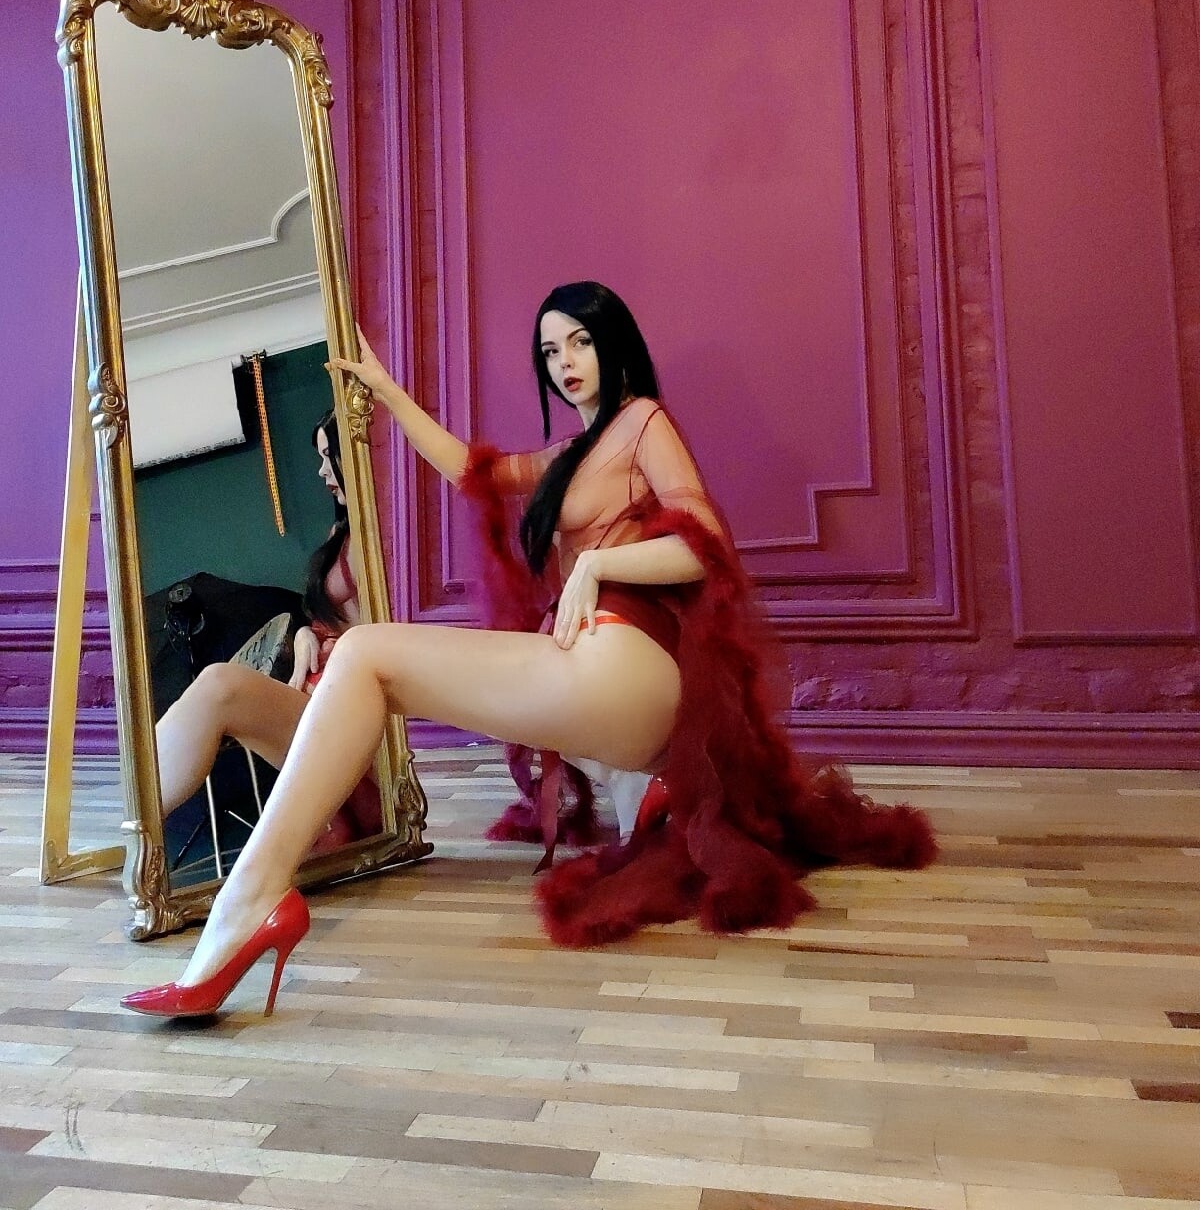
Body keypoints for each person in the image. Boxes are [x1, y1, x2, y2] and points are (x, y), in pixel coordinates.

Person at [122, 282, 936, 1020]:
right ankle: (644, 790)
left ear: (613, 341)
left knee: (364, 652)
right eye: (550, 351)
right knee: (366, 661)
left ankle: (248, 904)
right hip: (608, 682)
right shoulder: (570, 457)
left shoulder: (643, 422)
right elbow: (472, 470)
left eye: (579, 340)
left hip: (625, 662)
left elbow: (707, 545)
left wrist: (598, 567)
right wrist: (387, 391)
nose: (565, 362)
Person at [153, 412, 374, 846]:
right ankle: (135, 813)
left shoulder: (386, 531)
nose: (321, 471)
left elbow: (387, 634)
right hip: (323, 700)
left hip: (360, 718)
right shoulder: (342, 532)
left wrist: (333, 643)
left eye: (329, 456)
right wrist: (309, 633)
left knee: (220, 684)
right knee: (217, 686)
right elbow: (333, 618)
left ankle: (132, 818)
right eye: (320, 458)